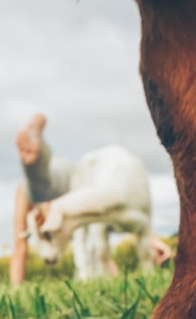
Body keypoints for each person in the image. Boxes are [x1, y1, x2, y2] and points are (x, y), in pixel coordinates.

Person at [9, 114, 173, 285]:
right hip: (76, 178)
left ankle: (34, 161)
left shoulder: (27, 195)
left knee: (39, 189)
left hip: (73, 180)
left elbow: (20, 247)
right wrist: (149, 237)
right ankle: (35, 157)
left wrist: (16, 287)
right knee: (94, 226)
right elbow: (114, 207)